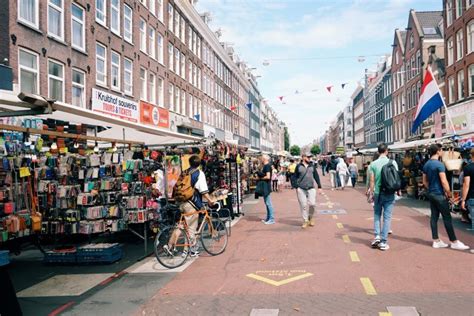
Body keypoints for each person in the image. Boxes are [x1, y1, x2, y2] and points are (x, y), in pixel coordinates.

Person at [423, 144, 470, 250]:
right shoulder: (439, 165)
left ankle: (436, 240)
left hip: (431, 193)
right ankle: (454, 241)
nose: (442, 152)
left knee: (434, 217)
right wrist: (449, 193)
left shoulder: (426, 164)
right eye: (441, 150)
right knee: (447, 218)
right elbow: (444, 181)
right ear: (438, 151)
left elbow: (424, 181)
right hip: (439, 194)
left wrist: (431, 189)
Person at [169, 155, 216, 257]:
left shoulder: (185, 172)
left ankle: (169, 246)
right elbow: (203, 190)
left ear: (189, 163)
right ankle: (192, 250)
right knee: (191, 228)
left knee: (181, 225)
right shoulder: (199, 173)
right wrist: (210, 200)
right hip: (191, 203)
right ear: (199, 164)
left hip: (181, 202)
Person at [369, 143, 398, 251]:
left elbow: (372, 180)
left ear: (378, 151)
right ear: (386, 151)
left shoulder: (373, 164)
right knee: (387, 217)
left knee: (377, 214)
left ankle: (377, 236)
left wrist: (371, 193)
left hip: (377, 193)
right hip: (389, 193)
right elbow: (396, 178)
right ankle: (383, 242)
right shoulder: (393, 162)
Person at [295, 153, 322, 228]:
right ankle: (305, 221)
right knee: (303, 205)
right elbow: (294, 177)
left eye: (310, 157)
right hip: (301, 188)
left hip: (311, 188)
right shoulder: (298, 166)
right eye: (308, 157)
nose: (310, 158)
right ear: (303, 157)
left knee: (312, 204)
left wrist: (319, 186)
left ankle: (310, 217)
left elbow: (316, 176)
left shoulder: (312, 166)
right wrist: (296, 186)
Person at [259, 154, 275, 224]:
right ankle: (268, 218)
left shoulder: (267, 166)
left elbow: (268, 176)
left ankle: (271, 219)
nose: (261, 159)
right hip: (265, 186)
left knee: (268, 203)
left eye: (262, 158)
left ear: (264, 159)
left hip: (266, 186)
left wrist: (260, 178)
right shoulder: (266, 166)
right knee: (267, 203)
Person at [461, 149, 474, 229]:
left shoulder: (468, 168)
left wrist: (463, 200)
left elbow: (466, 184)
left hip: (472, 197)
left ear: (471, 155)